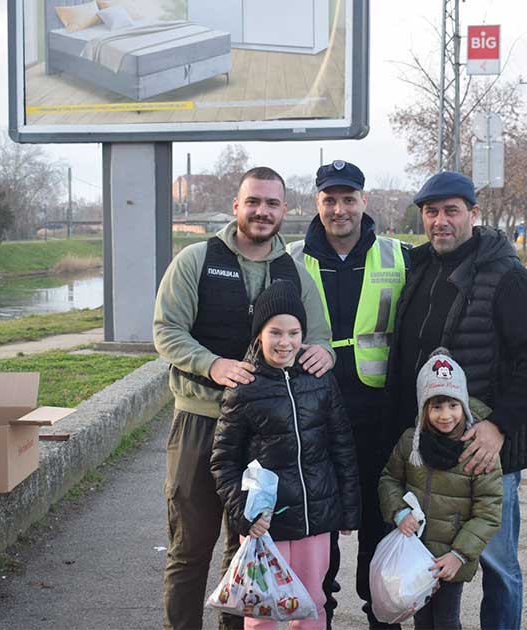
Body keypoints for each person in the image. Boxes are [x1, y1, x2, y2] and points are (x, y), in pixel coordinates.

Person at [153, 167, 335, 630]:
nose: (262, 211)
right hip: (200, 420)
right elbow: (165, 330)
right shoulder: (196, 259)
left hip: (261, 434)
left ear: (284, 211)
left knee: (247, 546)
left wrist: (322, 353)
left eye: (272, 203)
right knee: (190, 547)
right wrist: (212, 364)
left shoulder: (293, 271)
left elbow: (320, 336)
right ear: (236, 206)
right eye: (253, 201)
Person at [382, 171, 527, 630]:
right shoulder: (419, 267)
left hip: (486, 455)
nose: (440, 221)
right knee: (432, 564)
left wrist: (498, 426)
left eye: (451, 211)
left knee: (498, 569)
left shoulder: (506, 275)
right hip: (429, 455)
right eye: (431, 212)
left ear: (473, 215)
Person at [287, 160, 408, 629]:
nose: (339, 209)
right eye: (329, 200)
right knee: (321, 535)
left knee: (380, 528)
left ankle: (383, 617)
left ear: (364, 201)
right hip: (312, 416)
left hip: (378, 416)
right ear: (317, 203)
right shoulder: (292, 257)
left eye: (348, 199)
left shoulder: (398, 256)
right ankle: (322, 619)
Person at [210, 279, 361, 630]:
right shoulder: (243, 388)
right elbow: (223, 461)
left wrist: (349, 511)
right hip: (265, 523)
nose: (285, 342)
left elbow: (342, 447)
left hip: (315, 519)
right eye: (275, 332)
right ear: (259, 335)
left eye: (294, 332)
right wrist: (243, 513)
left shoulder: (320, 379)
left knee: (312, 602)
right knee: (261, 609)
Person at [379, 348, 503, 630]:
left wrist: (460, 554)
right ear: (424, 408)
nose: (445, 415)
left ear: (464, 405)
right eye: (436, 407)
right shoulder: (412, 443)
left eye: (452, 405)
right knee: (422, 619)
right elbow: (389, 479)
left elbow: (489, 511)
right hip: (416, 555)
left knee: (446, 621)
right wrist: (398, 512)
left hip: (450, 559)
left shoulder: (477, 451)